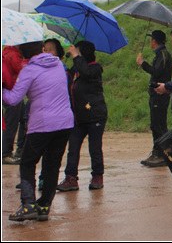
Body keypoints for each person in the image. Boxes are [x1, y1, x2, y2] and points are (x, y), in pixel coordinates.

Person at [2, 41, 74, 222]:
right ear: (42, 49)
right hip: (65, 123)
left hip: (42, 125)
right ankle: (44, 206)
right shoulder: (58, 64)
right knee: (52, 165)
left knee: (27, 163)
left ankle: (28, 204)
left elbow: (13, 99)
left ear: (23, 53)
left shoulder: (30, 70)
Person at [56, 41, 108, 192]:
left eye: (77, 52)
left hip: (95, 115)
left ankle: (97, 176)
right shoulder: (77, 68)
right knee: (73, 148)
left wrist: (75, 56)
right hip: (78, 117)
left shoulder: (95, 68)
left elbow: (86, 72)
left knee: (95, 148)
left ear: (84, 53)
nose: (75, 54)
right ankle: (71, 178)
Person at [136, 29, 172, 167]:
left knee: (159, 125)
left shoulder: (163, 54)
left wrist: (143, 63)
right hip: (156, 94)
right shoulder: (161, 54)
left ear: (154, 41)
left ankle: (163, 153)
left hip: (160, 94)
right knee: (156, 124)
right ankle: (158, 151)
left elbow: (157, 72)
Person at [2, 45, 26, 164]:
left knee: (24, 119)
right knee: (11, 123)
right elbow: (23, 71)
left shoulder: (8, 52)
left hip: (12, 91)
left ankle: (20, 149)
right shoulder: (14, 54)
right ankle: (5, 154)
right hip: (11, 92)